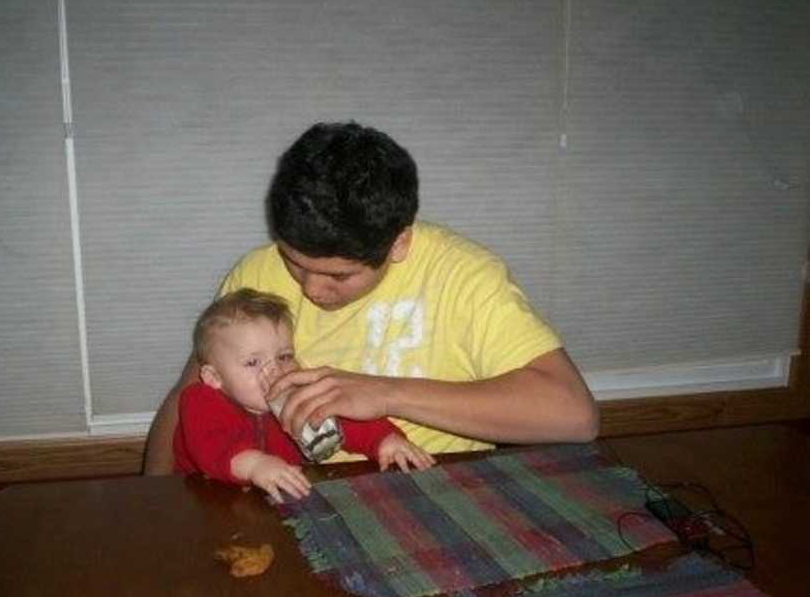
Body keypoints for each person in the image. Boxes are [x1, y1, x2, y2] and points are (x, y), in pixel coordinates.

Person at [145, 121, 597, 475]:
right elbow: (188, 399)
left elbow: (575, 416)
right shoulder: (256, 272)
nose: (311, 289)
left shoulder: (465, 277)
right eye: (294, 261)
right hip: (285, 484)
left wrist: (385, 393)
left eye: (339, 275)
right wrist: (156, 508)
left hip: (424, 483)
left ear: (399, 243)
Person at [174, 288, 435, 501]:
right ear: (214, 377)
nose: (274, 370)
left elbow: (343, 419)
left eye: (284, 357)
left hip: (285, 490)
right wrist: (255, 466)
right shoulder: (199, 400)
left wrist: (383, 440)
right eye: (253, 363)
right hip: (211, 496)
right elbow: (211, 447)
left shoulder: (298, 393)